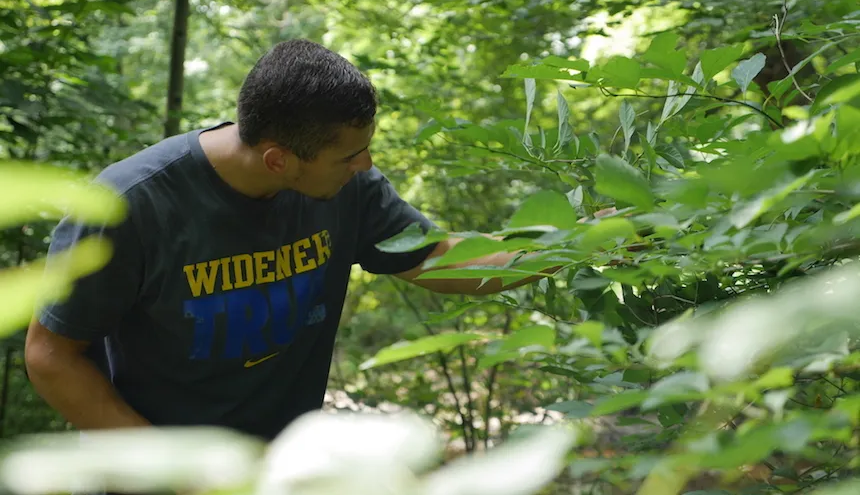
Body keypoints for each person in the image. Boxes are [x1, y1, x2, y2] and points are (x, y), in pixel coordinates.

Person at [23, 39, 552, 442]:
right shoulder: (128, 207)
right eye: (349, 155)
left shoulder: (349, 188)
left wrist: (590, 243)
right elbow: (51, 356)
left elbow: (442, 259)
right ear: (279, 159)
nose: (365, 164)